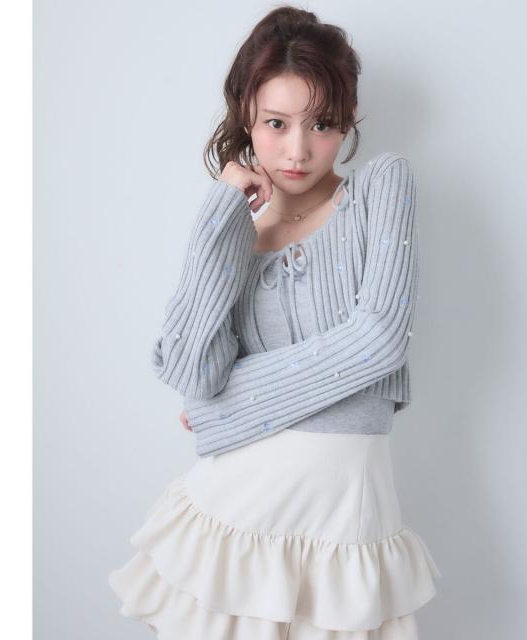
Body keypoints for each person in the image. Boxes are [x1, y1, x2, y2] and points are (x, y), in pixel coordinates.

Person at [109, 5, 441, 638]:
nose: (298, 149)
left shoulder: (380, 188)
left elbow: (377, 343)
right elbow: (191, 372)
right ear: (247, 118)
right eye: (276, 123)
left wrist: (218, 414)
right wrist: (221, 212)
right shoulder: (237, 232)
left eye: (322, 124)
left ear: (348, 121)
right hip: (232, 516)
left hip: (341, 522)